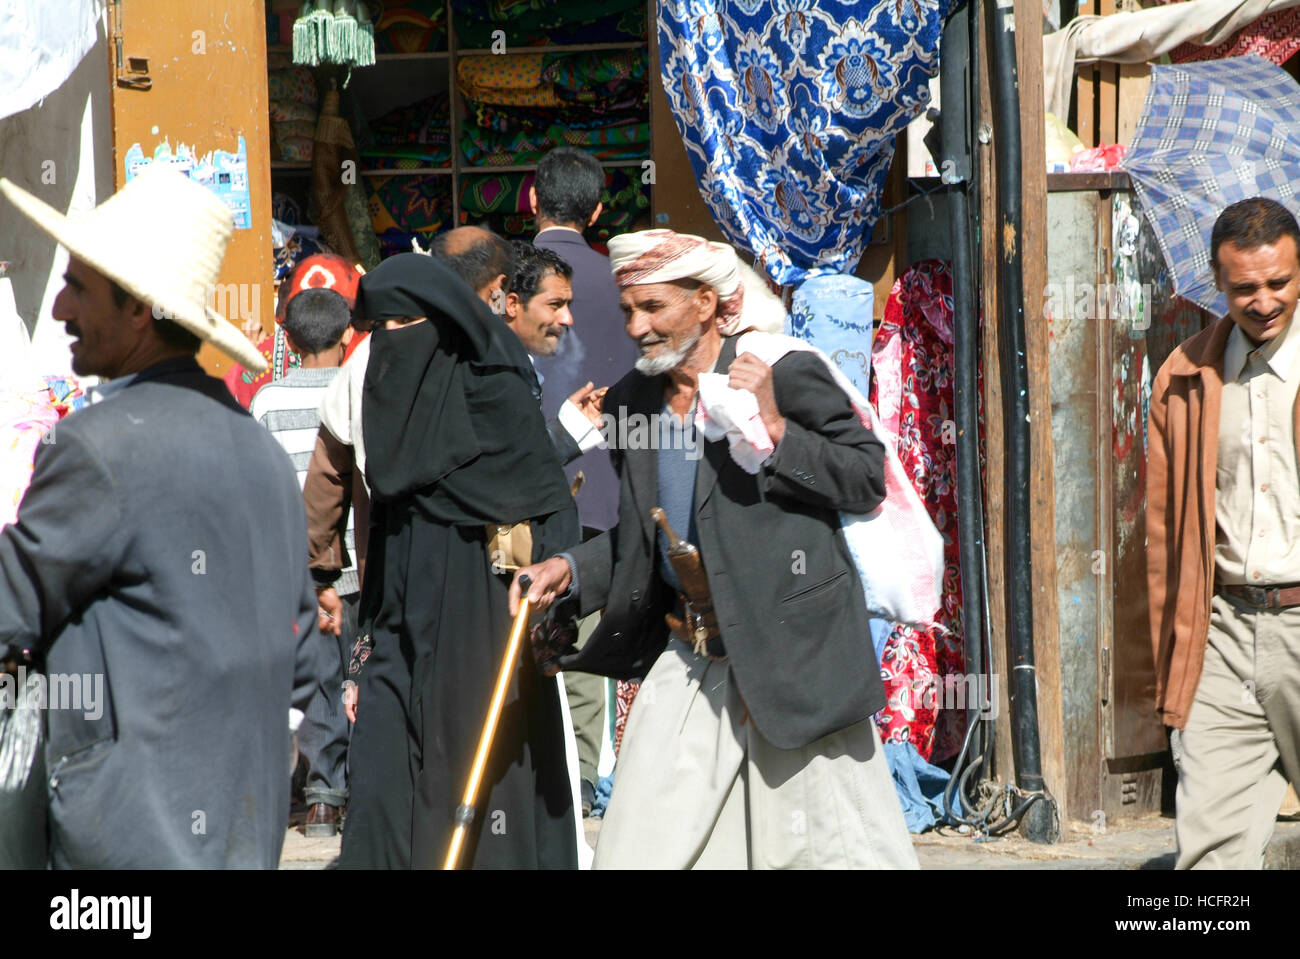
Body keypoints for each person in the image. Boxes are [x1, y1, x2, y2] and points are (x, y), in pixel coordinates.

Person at [509, 229, 919, 869]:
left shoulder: (781, 371)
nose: (637, 326)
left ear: (705, 302)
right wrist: (570, 566)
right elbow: (646, 534)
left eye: (654, 307)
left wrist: (778, 431)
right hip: (693, 651)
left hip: (793, 656)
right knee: (639, 846)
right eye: (627, 311)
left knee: (818, 851)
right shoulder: (635, 402)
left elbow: (865, 475)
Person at [0, 164, 327, 868]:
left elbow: (10, 606)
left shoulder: (97, 448)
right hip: (244, 835)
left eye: (77, 288)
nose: (59, 310)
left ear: (140, 309)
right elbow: (303, 660)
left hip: (124, 844)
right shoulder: (262, 454)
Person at [337, 246, 582, 870]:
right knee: (383, 779)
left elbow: (552, 509)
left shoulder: (493, 388)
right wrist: (365, 653)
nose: (390, 343)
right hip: (398, 625)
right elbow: (385, 527)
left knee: (470, 781)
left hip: (480, 617)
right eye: (379, 329)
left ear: (442, 321)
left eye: (402, 325)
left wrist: (550, 594)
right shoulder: (390, 399)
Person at [1146, 196, 1300, 869]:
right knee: (1208, 855)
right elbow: (1163, 535)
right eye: (1245, 288)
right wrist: (1178, 646)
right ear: (1217, 281)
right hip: (1224, 632)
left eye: (1280, 282)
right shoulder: (1184, 377)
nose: (1264, 301)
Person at [531, 147, 640, 812]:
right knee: (582, 645)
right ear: (598, 210)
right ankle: (583, 785)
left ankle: (541, 784)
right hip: (603, 485)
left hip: (527, 481)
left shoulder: (511, 281)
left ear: (530, 200)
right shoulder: (625, 284)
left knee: (525, 633)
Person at [249, 288, 357, 838]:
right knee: (360, 670)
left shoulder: (266, 402)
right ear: (348, 337)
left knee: (317, 678)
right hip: (358, 565)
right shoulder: (361, 392)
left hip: (297, 570)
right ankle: (360, 786)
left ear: (287, 341)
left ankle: (320, 795)